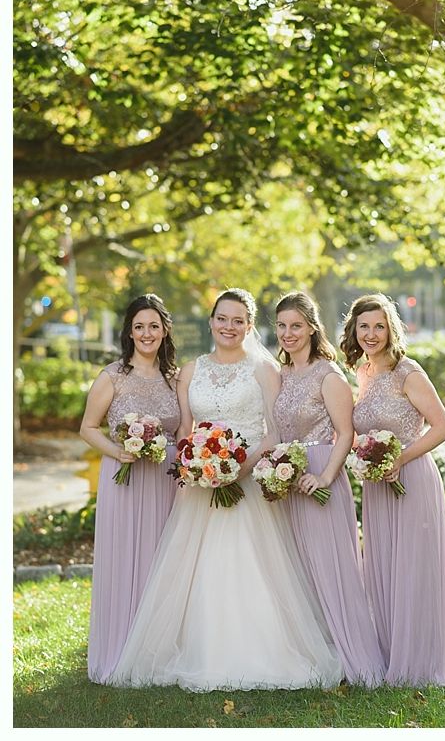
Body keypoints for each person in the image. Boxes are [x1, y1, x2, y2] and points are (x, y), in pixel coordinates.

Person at [110, 288, 343, 690]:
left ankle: (262, 651)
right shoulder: (189, 370)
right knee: (196, 569)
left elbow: (274, 430)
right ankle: (198, 648)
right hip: (200, 488)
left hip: (247, 484)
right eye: (222, 318)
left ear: (249, 326)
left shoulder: (264, 369)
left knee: (250, 565)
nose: (229, 327)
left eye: (238, 320)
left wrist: (238, 469)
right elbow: (185, 429)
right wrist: (197, 466)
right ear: (211, 322)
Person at [341, 294, 445, 686]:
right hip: (378, 486)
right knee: (385, 567)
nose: (371, 334)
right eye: (364, 326)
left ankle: (423, 655)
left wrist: (399, 458)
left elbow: (443, 427)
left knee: (413, 567)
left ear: (391, 329)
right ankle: (393, 648)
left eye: (379, 326)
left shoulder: (407, 371)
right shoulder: (363, 373)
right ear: (354, 330)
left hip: (411, 480)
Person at [273, 291, 386, 687]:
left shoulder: (328, 374)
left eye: (296, 326)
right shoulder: (281, 374)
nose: (289, 334)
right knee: (299, 570)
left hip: (322, 475)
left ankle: (355, 657)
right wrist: (277, 468)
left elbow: (346, 433)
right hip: (288, 479)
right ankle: (314, 652)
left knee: (333, 568)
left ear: (311, 328)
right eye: (282, 326)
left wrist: (323, 476)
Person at [80, 294, 180, 684]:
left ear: (164, 330)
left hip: (166, 479)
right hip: (125, 477)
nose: (147, 333)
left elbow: (182, 428)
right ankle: (120, 649)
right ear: (129, 332)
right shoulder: (112, 377)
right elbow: (88, 427)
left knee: (163, 558)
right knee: (126, 558)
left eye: (154, 326)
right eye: (139, 326)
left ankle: (158, 650)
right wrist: (118, 451)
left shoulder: (174, 379)